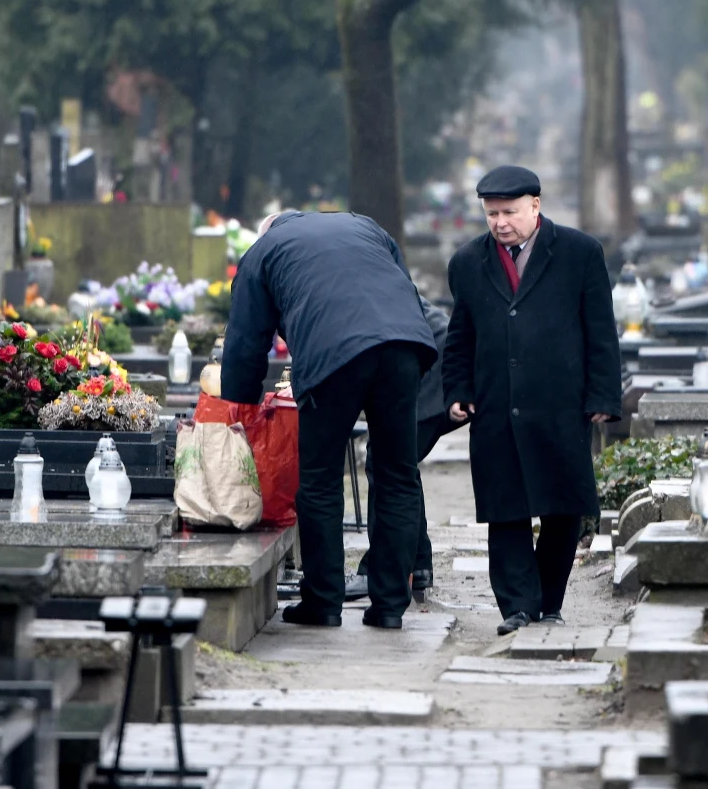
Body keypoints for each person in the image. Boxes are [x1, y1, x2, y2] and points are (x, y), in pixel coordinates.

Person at [222, 211, 436, 630]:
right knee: (397, 473)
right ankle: (391, 604)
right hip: (405, 347)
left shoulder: (262, 251)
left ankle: (323, 602)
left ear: (265, 230)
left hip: (333, 355)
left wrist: (241, 411)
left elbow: (246, 341)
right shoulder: (367, 225)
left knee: (319, 478)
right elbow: (400, 286)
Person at [443, 165, 622, 635]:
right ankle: (517, 605)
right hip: (495, 404)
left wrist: (603, 393)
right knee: (506, 509)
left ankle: (549, 599)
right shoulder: (467, 262)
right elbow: (459, 334)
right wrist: (457, 389)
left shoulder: (580, 254)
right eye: (491, 214)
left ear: (536, 206)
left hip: (560, 402)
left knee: (563, 505)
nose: (501, 222)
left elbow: (600, 331)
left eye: (510, 212)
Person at [345, 295, 463, 602]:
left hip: (434, 364)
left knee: (386, 461)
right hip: (430, 354)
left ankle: (380, 570)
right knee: (399, 463)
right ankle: (417, 564)